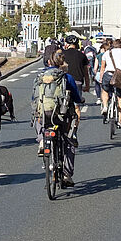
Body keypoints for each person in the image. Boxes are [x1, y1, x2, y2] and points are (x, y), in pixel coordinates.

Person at [34, 50, 83, 187]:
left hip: (45, 114)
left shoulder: (40, 77)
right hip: (62, 115)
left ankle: (42, 140)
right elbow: (75, 96)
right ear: (62, 63)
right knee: (69, 141)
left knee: (40, 125)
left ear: (49, 62)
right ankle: (67, 174)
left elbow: (34, 97)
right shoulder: (66, 77)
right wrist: (80, 100)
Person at [100, 38, 121, 128]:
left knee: (105, 90)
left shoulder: (107, 53)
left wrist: (101, 78)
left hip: (108, 74)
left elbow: (102, 67)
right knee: (120, 98)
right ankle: (120, 121)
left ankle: (105, 106)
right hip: (120, 76)